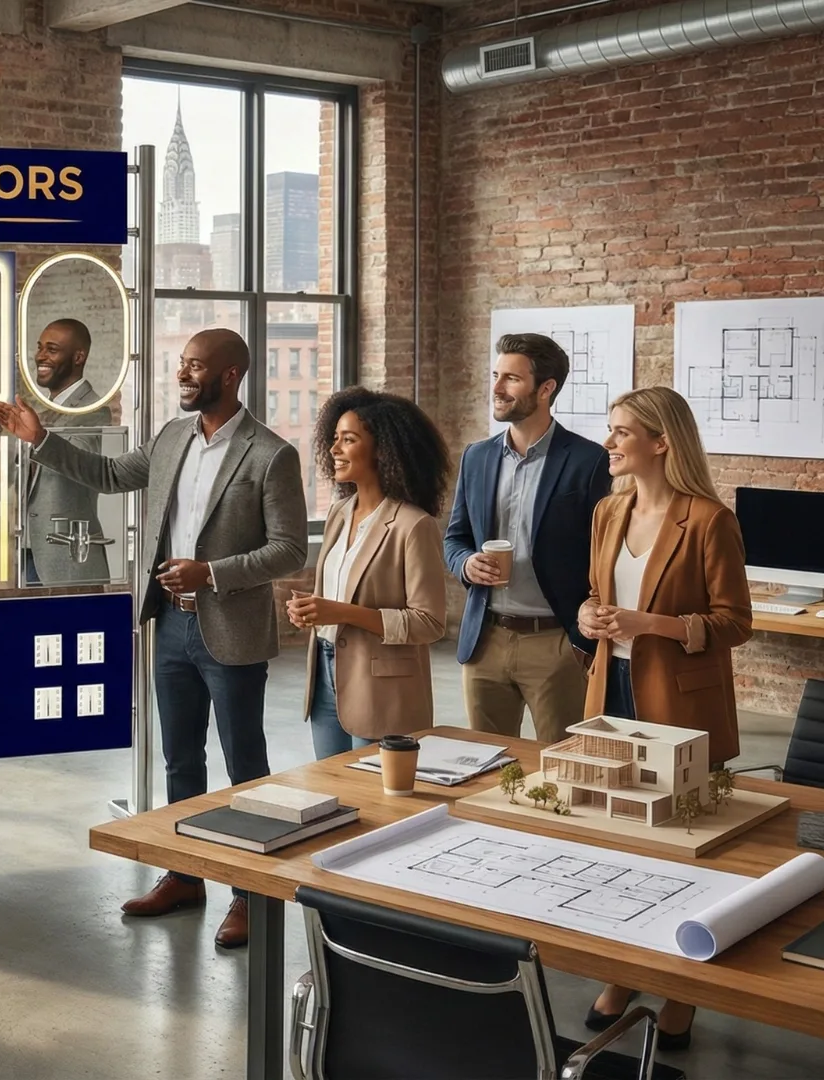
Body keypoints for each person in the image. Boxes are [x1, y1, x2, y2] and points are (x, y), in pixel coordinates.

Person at [0, 327, 306, 947]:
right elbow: (107, 474)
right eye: (182, 366)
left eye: (195, 367)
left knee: (245, 766)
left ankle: (249, 894)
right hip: (170, 626)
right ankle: (184, 876)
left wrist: (210, 573)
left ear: (231, 374)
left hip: (231, 629)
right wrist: (39, 438)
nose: (183, 376)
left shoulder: (271, 454)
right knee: (180, 761)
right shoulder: (170, 438)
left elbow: (289, 549)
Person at [578, 386, 751, 1049]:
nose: (610, 442)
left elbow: (736, 622)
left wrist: (656, 624)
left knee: (682, 857)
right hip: (610, 689)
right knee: (619, 846)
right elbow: (598, 598)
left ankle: (682, 992)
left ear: (660, 442)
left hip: (680, 699)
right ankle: (625, 972)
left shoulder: (708, 520)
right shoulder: (606, 512)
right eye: (610, 430)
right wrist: (589, 617)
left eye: (623, 432)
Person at [444, 333, 612, 742]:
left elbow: (604, 555)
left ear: (546, 388)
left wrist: (581, 639)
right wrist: (466, 563)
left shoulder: (589, 461)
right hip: (485, 640)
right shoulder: (476, 456)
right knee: (485, 767)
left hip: (556, 642)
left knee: (565, 770)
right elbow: (455, 538)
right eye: (496, 376)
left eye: (511, 379)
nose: (497, 389)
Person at [288, 388, 450, 758]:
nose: (335, 450)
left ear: (383, 449)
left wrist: (342, 612)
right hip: (325, 677)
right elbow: (331, 599)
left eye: (349, 440)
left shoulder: (413, 525)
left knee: (378, 803)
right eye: (334, 439)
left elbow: (429, 622)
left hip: (383, 690)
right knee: (331, 796)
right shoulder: (339, 514)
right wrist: (310, 612)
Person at [22, 319, 112, 585]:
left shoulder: (93, 409)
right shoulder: (45, 409)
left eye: (52, 349)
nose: (40, 356)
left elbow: (82, 465)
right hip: (30, 551)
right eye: (39, 348)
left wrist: (38, 438)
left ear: (78, 357)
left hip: (70, 556)